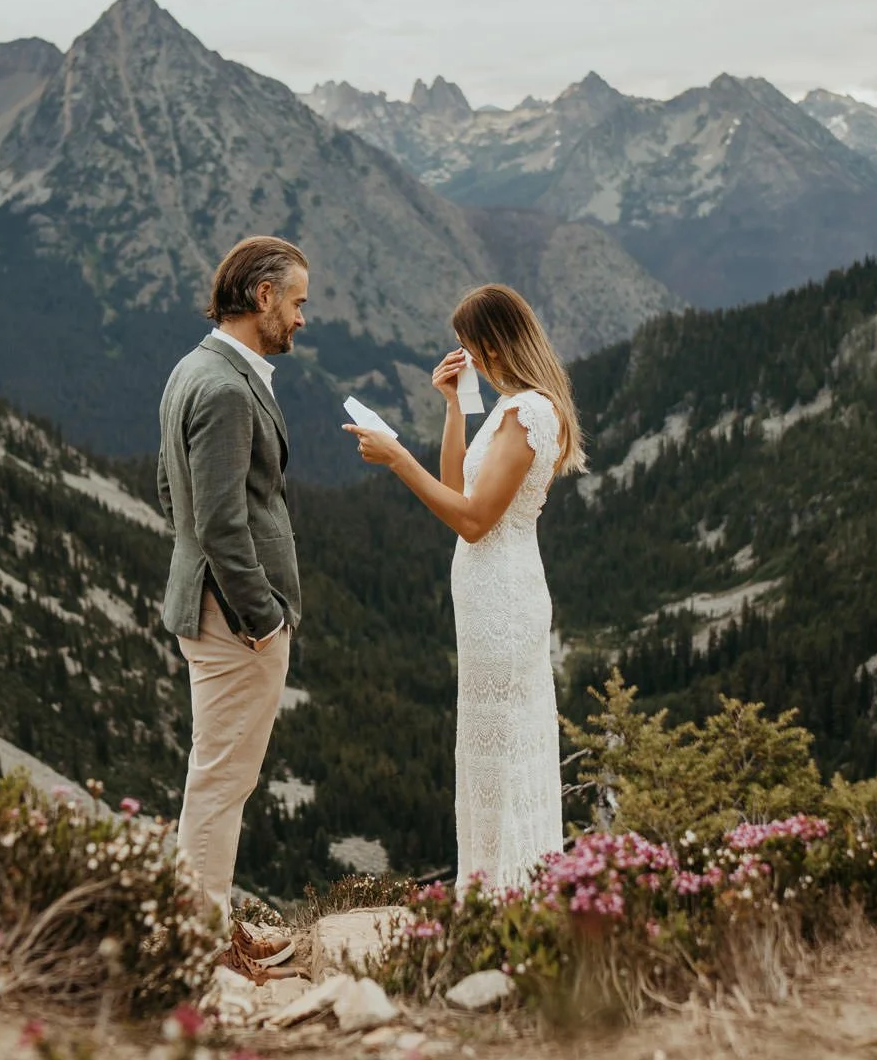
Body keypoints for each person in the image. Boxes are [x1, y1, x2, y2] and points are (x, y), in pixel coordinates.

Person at [343, 283, 586, 888]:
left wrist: (398, 458)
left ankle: (510, 892)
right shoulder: (510, 409)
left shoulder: (528, 411)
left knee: (504, 747)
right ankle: (492, 890)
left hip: (502, 593)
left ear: (494, 345)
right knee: (489, 746)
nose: (465, 358)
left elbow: (474, 523)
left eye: (468, 348)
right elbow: (456, 489)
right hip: (488, 594)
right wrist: (454, 405)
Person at [157, 235, 310, 977]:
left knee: (220, 777)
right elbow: (219, 521)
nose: (302, 318)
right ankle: (203, 946)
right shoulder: (221, 386)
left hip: (209, 606)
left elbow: (171, 491)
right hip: (234, 620)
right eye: (298, 301)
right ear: (263, 297)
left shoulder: (194, 368)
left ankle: (209, 923)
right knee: (220, 782)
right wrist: (262, 614)